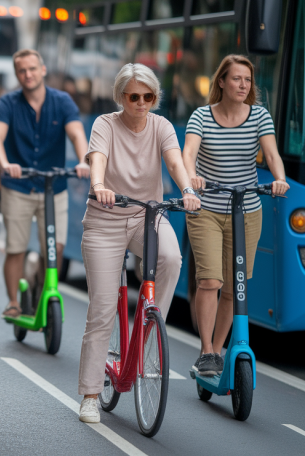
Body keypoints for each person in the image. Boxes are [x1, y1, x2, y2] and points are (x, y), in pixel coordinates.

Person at [78, 63, 201, 423]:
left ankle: (149, 330)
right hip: (106, 218)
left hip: (146, 215)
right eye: (134, 96)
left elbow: (175, 161)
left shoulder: (161, 126)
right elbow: (97, 157)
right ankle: (89, 394)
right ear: (121, 97)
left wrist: (188, 189)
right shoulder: (105, 123)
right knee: (101, 308)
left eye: (149, 96)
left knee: (171, 258)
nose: (142, 103)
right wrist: (99, 185)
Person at [183, 55, 289, 376]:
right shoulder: (201, 116)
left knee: (234, 287)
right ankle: (205, 350)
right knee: (210, 280)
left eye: (248, 80)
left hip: (246, 210)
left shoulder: (260, 116)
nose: (243, 85)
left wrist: (280, 178)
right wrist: (192, 179)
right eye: (236, 79)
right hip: (207, 210)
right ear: (221, 82)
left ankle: (217, 349)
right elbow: (188, 153)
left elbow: (271, 154)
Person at [0, 49, 90, 318]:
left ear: (42, 70)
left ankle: (43, 290)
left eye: (32, 69)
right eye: (22, 70)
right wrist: (4, 163)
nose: (28, 75)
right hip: (18, 186)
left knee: (53, 250)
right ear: (17, 74)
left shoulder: (62, 101)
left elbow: (77, 133)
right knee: (15, 247)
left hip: (53, 187)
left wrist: (83, 160)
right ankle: (13, 302)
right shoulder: (8, 103)